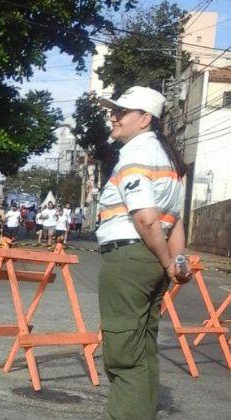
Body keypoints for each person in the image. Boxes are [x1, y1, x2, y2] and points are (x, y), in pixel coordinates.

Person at [97, 86, 189, 419]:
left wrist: (169, 263)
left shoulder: (136, 154)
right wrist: (175, 265)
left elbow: (146, 218)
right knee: (143, 348)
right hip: (149, 261)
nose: (114, 116)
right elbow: (174, 223)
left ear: (145, 118)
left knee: (124, 356)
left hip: (129, 259)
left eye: (121, 111)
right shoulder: (170, 160)